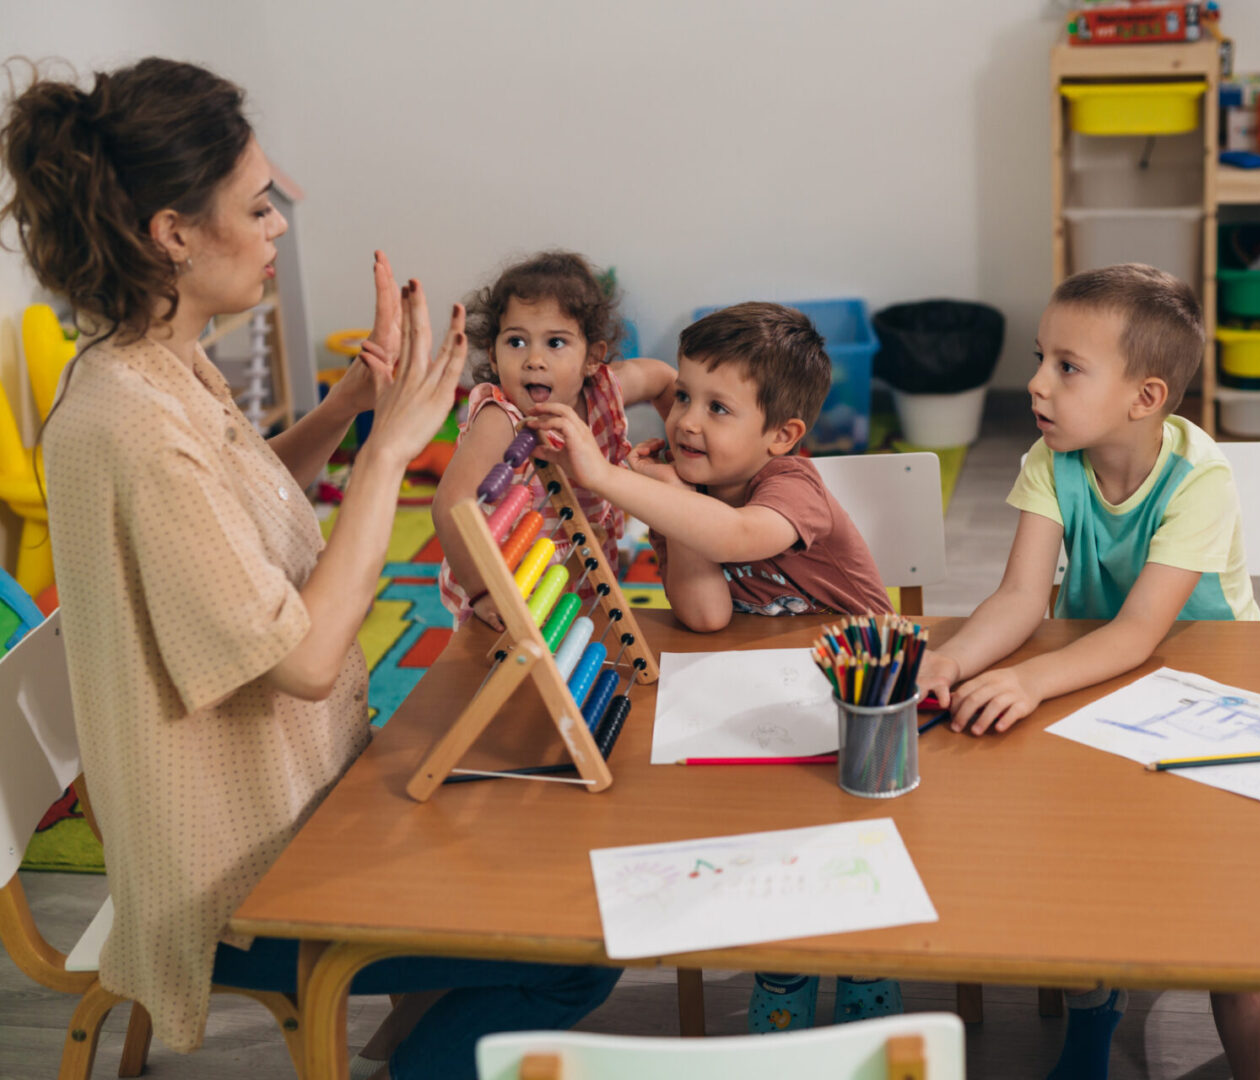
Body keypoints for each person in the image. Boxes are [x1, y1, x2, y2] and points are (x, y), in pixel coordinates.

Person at [1, 57, 619, 1080]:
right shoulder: (131, 426)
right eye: (257, 202)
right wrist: (387, 454)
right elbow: (310, 659)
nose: (281, 220)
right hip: (235, 884)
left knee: (534, 823)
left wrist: (344, 411)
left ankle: (418, 1038)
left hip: (299, 801)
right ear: (173, 235)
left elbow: (234, 509)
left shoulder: (145, 368)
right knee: (570, 947)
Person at [912, 264, 1260, 1080]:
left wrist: (1030, 681)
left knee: (1234, 929)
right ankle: (1090, 1015)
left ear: (1145, 398)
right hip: (1098, 687)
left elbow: (1144, 629)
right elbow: (1017, 600)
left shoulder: (1201, 478)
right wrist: (952, 659)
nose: (1036, 384)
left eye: (1066, 367)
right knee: (1067, 867)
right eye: (1042, 357)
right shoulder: (1055, 459)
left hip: (1212, 695)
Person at [530, 301, 899, 1030]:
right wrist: (671, 496)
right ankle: (784, 964)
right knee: (753, 825)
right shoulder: (687, 482)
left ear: (782, 436)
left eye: (718, 408)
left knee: (845, 832)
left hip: (862, 695)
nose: (688, 422)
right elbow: (705, 616)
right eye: (688, 400)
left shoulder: (794, 485)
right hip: (761, 688)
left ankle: (866, 961)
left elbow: (735, 535)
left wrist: (607, 477)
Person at [421, 251, 675, 629]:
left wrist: (683, 456)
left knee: (585, 649)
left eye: (555, 343)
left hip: (584, 569)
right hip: (512, 590)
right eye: (517, 342)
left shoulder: (604, 388)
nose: (534, 359)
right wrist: (483, 592)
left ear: (592, 358)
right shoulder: (501, 419)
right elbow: (450, 506)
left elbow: (663, 378)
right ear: (493, 353)